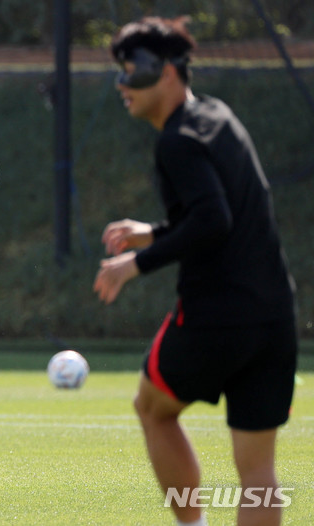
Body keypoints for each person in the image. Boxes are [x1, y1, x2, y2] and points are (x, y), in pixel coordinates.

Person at [93, 17, 298, 526]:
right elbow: (215, 212)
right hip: (274, 316)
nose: (122, 83)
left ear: (165, 72)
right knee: (257, 473)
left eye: (130, 71)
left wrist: (133, 264)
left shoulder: (177, 141)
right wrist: (153, 232)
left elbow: (213, 220)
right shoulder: (217, 116)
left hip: (215, 317)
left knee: (151, 408)